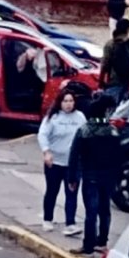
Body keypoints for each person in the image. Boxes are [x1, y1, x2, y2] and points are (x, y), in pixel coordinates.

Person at [67, 94, 121, 256]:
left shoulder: (84, 131)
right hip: (108, 177)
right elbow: (118, 156)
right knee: (105, 211)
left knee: (91, 212)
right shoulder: (113, 132)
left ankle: (88, 245)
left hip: (90, 176)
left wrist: (72, 177)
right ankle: (102, 242)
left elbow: (74, 155)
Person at [37, 88, 87, 236]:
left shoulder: (80, 117)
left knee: (71, 193)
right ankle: (47, 219)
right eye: (65, 101)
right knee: (52, 191)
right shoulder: (53, 117)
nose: (68, 104)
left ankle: (70, 224)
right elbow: (43, 134)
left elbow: (84, 136)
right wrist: (46, 152)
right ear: (60, 102)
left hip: (72, 164)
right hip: (55, 162)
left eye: (71, 101)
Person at [99, 18, 129, 105]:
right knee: (122, 106)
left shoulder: (111, 44)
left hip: (114, 81)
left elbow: (105, 64)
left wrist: (101, 81)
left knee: (110, 106)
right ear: (127, 30)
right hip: (128, 81)